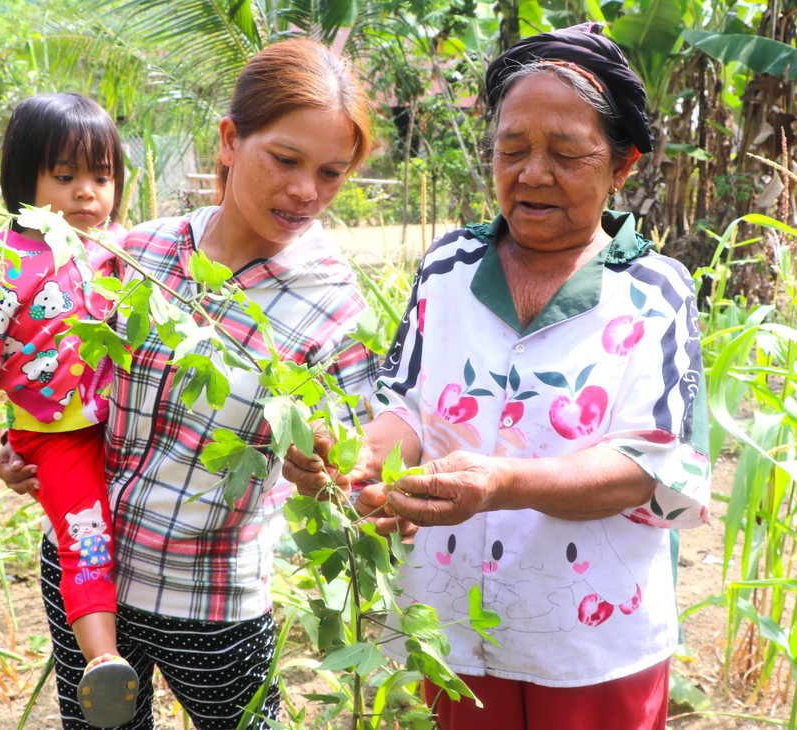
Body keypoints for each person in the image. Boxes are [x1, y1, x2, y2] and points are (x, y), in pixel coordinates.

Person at [284, 23, 711, 730]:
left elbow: (654, 463)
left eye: (567, 154)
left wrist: (503, 485)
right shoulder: (449, 268)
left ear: (623, 165)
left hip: (590, 638)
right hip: (450, 627)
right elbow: (409, 404)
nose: (532, 173)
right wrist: (363, 462)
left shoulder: (653, 291)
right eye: (511, 150)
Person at [0, 39, 378, 730]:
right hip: (87, 576)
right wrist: (31, 444)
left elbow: (361, 458)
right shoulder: (136, 251)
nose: (305, 191)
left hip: (208, 606)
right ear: (230, 140)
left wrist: (329, 468)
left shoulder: (336, 308)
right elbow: (75, 381)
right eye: (285, 159)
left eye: (330, 172)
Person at [0, 92, 138, 728]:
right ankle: (104, 662)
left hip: (120, 425)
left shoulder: (117, 252)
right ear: (23, 178)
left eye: (101, 177)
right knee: (86, 537)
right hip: (55, 439)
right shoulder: (3, 264)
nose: (87, 193)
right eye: (65, 176)